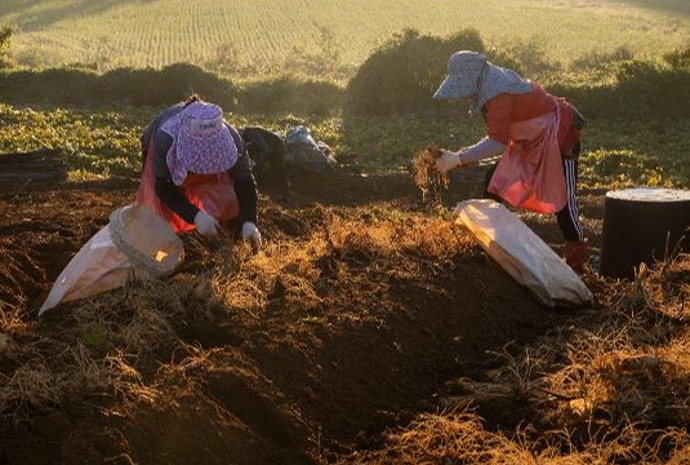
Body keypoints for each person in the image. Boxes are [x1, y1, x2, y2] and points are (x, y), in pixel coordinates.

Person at [432, 51, 587, 273]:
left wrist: (457, 159)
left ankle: (577, 264)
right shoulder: (488, 83)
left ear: (472, 78)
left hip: (561, 137)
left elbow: (497, 143)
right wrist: (459, 157)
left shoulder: (498, 91)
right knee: (493, 181)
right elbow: (497, 138)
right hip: (530, 141)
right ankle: (493, 243)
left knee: (564, 201)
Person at [136, 95, 262, 249]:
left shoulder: (233, 139)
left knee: (228, 195)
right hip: (158, 152)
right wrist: (196, 216)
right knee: (156, 216)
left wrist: (250, 222)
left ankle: (227, 231)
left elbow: (244, 180)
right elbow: (163, 187)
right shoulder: (165, 140)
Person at [240, 126, 291, 203]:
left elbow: (265, 150)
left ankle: (286, 197)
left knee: (280, 173)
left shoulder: (253, 134)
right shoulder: (250, 136)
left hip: (277, 148)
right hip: (271, 149)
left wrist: (256, 162)